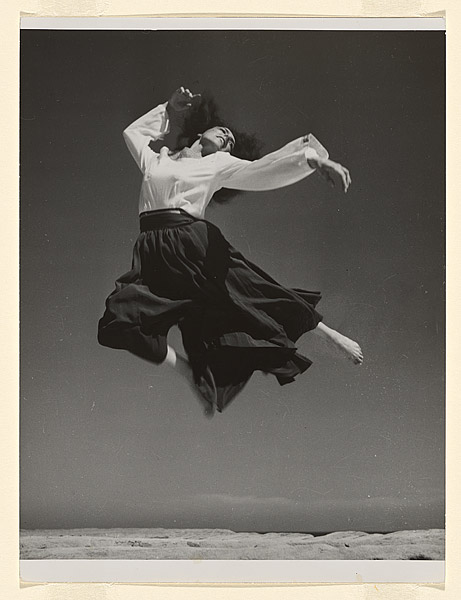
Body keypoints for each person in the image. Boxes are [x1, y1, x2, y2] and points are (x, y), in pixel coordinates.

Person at [98, 86, 363, 416]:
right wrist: (169, 108)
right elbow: (133, 133)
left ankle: (325, 333)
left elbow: (260, 170)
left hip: (190, 238)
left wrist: (311, 161)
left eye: (230, 141)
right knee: (118, 323)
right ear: (200, 131)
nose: (226, 137)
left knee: (251, 291)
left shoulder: (219, 164)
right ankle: (191, 375)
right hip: (151, 251)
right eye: (222, 131)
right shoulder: (157, 159)